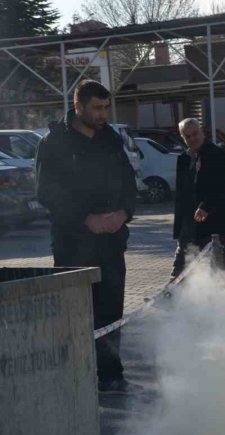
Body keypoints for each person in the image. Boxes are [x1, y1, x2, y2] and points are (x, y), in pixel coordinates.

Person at [35, 79, 136, 393]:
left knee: (110, 311)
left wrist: (123, 213)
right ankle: (78, 374)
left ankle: (110, 374)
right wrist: (84, 219)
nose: (102, 114)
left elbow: (129, 182)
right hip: (73, 244)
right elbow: (47, 192)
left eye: (106, 107)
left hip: (110, 242)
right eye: (96, 108)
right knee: (77, 312)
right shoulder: (54, 143)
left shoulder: (111, 140)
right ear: (78, 106)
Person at [171, 118, 225, 281]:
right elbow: (181, 193)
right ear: (183, 138)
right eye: (187, 136)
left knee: (223, 264)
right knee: (182, 262)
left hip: (214, 220)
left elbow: (223, 185)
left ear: (202, 132)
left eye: (195, 134)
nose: (192, 139)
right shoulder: (183, 159)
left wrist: (205, 206)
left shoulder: (217, 154)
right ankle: (172, 293)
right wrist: (180, 225)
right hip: (190, 221)